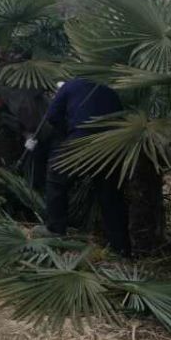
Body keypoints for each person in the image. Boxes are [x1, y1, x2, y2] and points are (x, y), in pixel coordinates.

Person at [29, 78, 131, 256]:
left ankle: (55, 229)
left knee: (56, 180)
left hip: (81, 140)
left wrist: (67, 132)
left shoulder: (69, 86)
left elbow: (52, 116)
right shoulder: (111, 91)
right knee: (110, 195)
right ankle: (120, 246)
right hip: (111, 146)